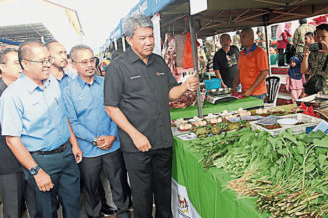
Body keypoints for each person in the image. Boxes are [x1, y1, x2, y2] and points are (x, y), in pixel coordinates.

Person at [103, 14, 199, 218]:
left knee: (164, 196)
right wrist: (135, 135)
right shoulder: (117, 67)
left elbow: (170, 93)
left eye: (151, 36)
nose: (149, 42)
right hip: (137, 146)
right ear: (129, 39)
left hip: (162, 141)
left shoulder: (158, 61)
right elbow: (111, 107)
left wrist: (185, 87)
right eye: (142, 38)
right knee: (143, 198)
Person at [0, 40, 83, 218]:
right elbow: (12, 140)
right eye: (42, 61)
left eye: (48, 59)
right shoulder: (12, 96)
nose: (48, 65)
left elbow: (63, 115)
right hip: (41, 161)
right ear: (26, 64)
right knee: (46, 211)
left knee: (74, 204)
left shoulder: (52, 82)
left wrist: (74, 144)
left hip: (67, 155)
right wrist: (36, 171)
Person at [63, 45, 131, 218]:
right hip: (88, 150)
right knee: (91, 190)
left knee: (119, 185)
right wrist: (94, 140)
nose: (89, 65)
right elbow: (72, 121)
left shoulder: (106, 83)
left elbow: (116, 111)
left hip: (112, 145)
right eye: (84, 61)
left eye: (92, 60)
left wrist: (112, 136)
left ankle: (124, 213)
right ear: (73, 64)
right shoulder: (68, 91)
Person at [0, 48, 37, 218]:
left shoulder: (26, 89)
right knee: (13, 208)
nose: (20, 67)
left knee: (35, 204)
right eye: (15, 63)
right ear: (2, 67)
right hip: (8, 160)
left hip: (31, 156)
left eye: (21, 62)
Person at [301, 24, 328, 95]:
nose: (320, 39)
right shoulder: (312, 52)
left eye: (323, 37)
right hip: (314, 92)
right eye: (318, 37)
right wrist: (306, 56)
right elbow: (303, 71)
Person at [232, 27, 268, 100]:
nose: (241, 39)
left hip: (257, 93)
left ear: (251, 37)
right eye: (241, 37)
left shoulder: (260, 52)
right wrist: (235, 86)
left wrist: (251, 89)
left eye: (244, 36)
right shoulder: (241, 53)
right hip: (245, 92)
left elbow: (264, 73)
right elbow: (239, 70)